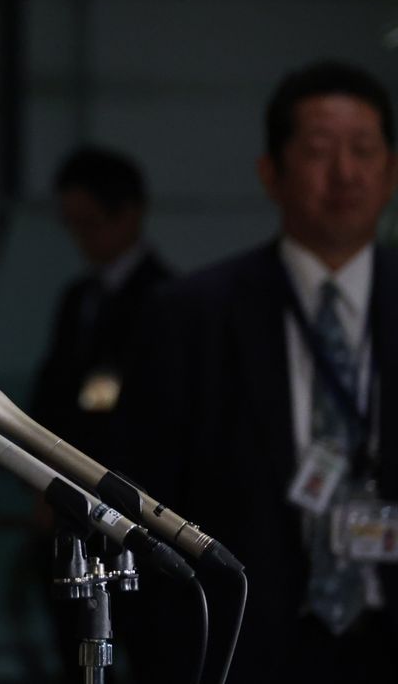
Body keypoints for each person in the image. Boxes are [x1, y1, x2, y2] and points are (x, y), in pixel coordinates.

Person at [119, 59, 398, 683]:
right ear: (271, 173)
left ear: (392, 171)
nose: (345, 173)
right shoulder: (192, 314)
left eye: (365, 150)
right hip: (245, 648)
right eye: (320, 152)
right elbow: (142, 499)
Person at [27, 146, 172, 680]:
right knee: (76, 649)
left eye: (91, 222)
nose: (83, 238)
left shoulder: (167, 300)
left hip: (133, 508)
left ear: (129, 214)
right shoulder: (79, 298)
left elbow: (147, 419)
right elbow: (55, 397)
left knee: (146, 647)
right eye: (74, 224)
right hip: (71, 507)